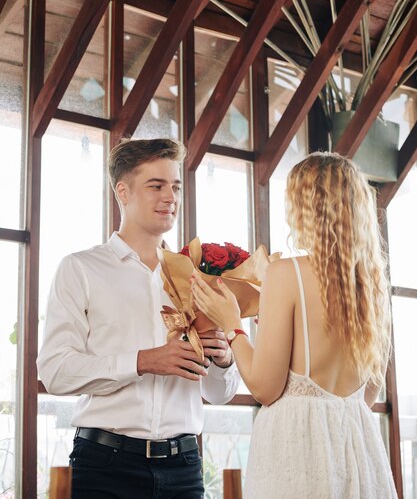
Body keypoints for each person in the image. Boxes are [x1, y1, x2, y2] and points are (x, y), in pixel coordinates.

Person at [37, 138, 239, 499]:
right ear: (123, 191)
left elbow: (219, 394)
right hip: (105, 467)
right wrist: (143, 362)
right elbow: (55, 372)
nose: (170, 197)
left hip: (185, 469)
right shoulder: (80, 269)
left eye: (175, 186)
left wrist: (224, 361)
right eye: (156, 186)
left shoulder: (199, 276)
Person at [192, 151, 398, 499]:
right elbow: (368, 394)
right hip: (358, 448)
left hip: (298, 446)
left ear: (306, 206)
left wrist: (232, 324)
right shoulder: (373, 285)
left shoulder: (287, 273)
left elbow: (264, 388)